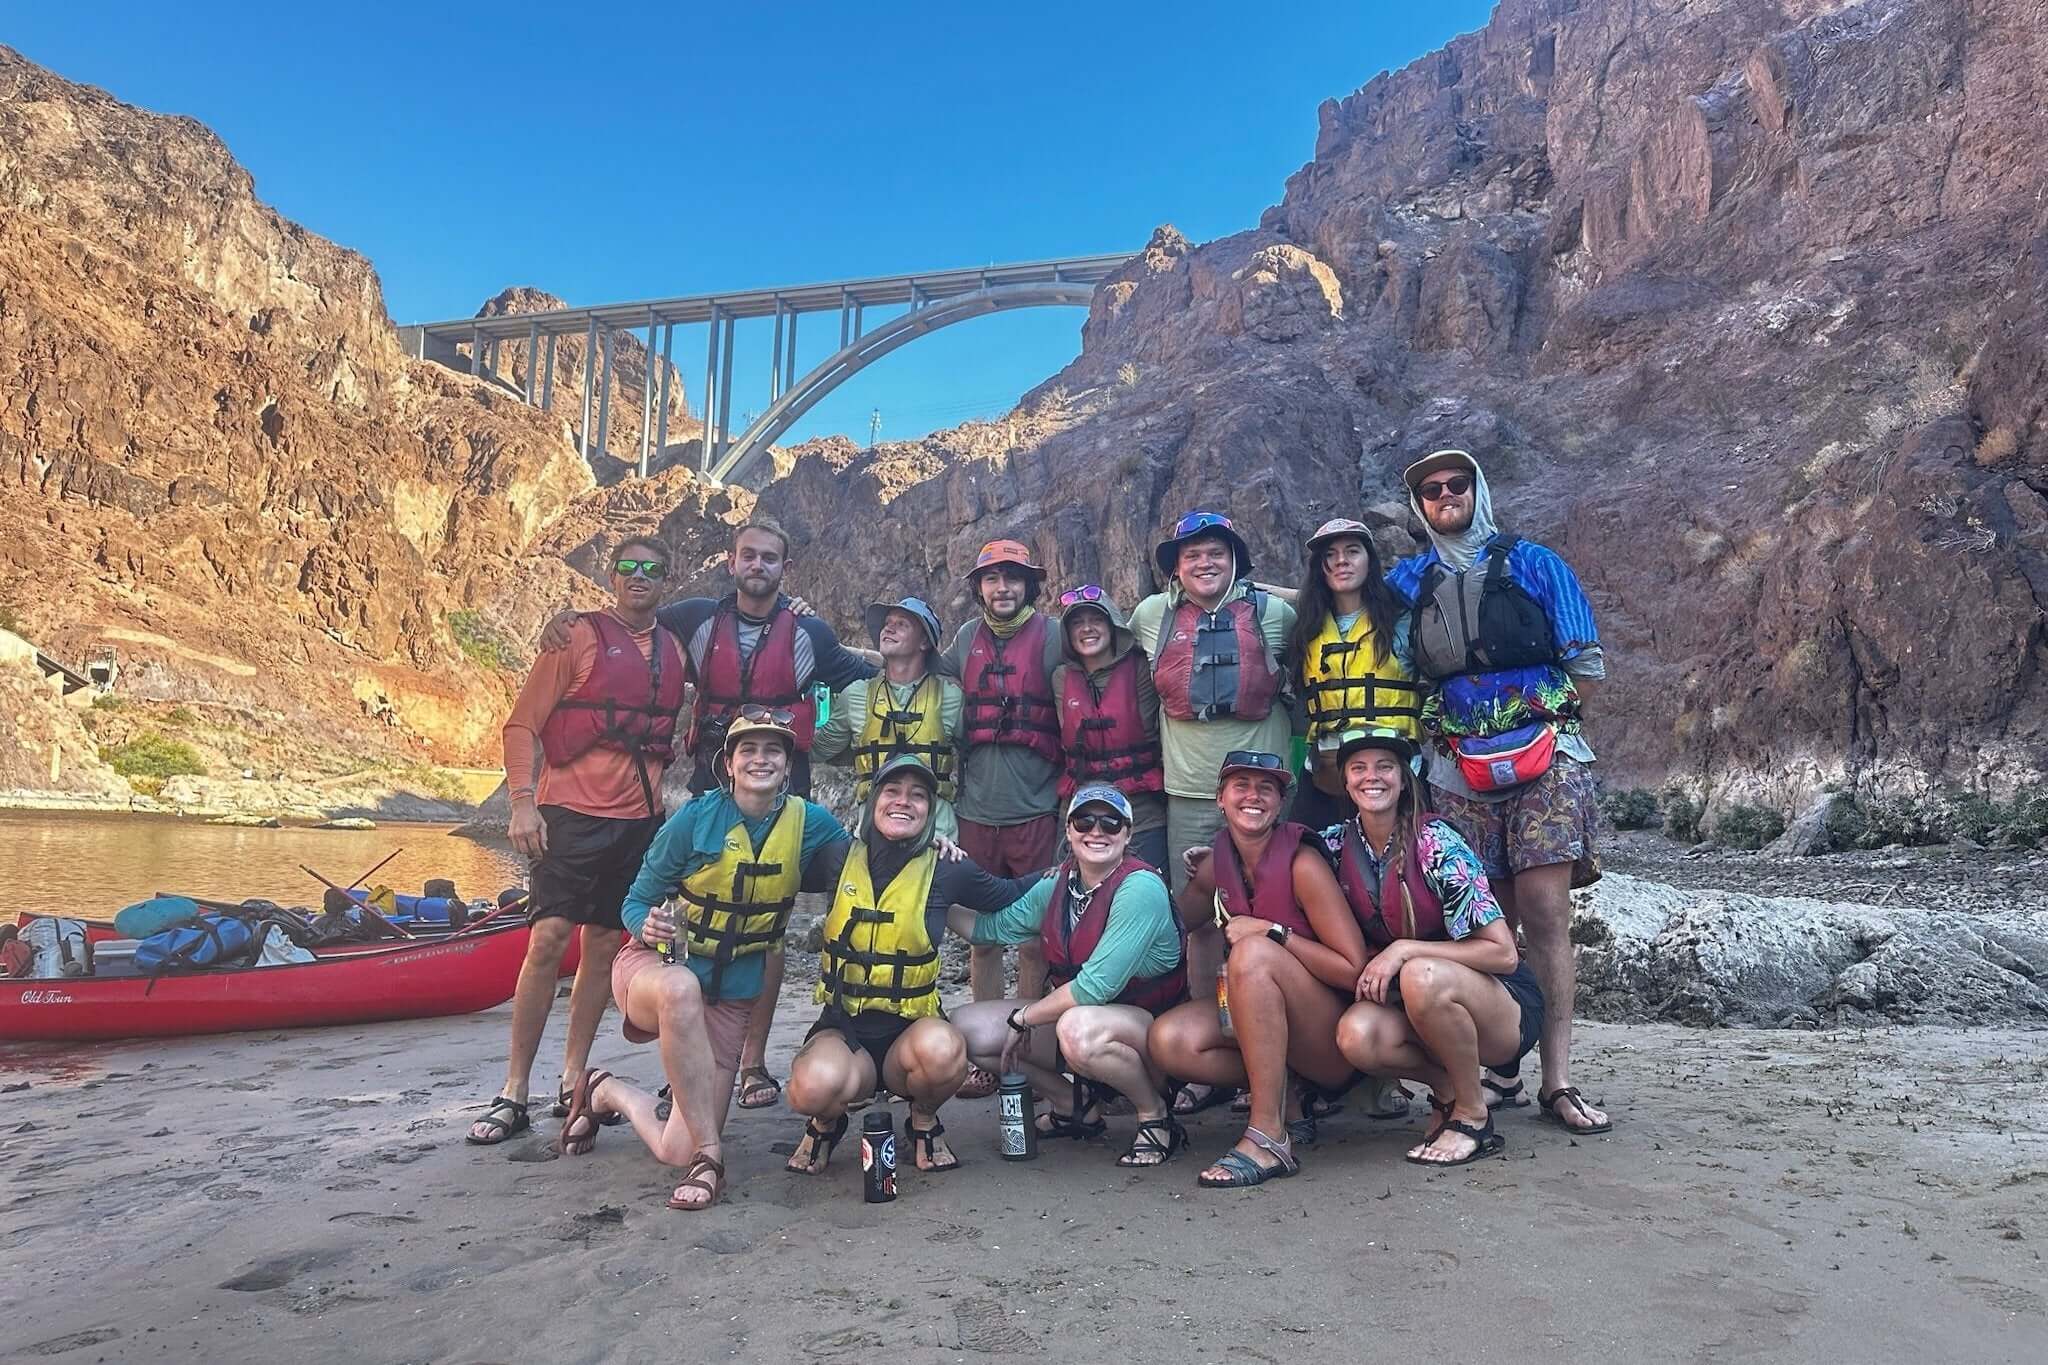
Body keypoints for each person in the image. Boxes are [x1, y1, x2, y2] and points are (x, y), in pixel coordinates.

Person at [544, 519, 875, 1111]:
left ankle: (751, 1064)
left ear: (785, 569)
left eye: (770, 558)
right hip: (713, 771)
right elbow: (632, 621)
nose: (758, 566)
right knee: (701, 906)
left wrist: (921, 649)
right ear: (732, 561)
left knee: (767, 918)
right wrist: (570, 621)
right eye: (749, 556)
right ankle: (689, 1058)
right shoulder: (694, 619)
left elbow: (870, 669)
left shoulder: (809, 632)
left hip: (782, 776)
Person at [1386, 448, 1612, 1135]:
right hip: (1455, 765)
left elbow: (1585, 664)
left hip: (1545, 759)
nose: (1445, 494)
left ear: (1476, 488)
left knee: (1543, 910)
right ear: (1419, 505)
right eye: (1431, 489)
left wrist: (1535, 730)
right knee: (1486, 916)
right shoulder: (1408, 581)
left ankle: (1559, 1079)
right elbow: (1382, 647)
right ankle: (1504, 1057)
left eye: (1457, 483)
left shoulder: (1537, 563)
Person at [556, 712, 851, 1210]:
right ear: (729, 764)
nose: (761, 759)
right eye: (749, 751)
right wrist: (644, 925)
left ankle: (606, 1090)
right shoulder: (694, 819)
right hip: (654, 973)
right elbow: (635, 901)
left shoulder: (811, 823)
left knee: (676, 1150)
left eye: (773, 751)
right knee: (680, 988)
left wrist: (932, 844)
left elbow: (868, 861)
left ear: (786, 765)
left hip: (731, 995)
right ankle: (712, 1156)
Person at [468, 536, 682, 1147]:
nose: (640, 578)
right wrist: (520, 803)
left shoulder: (675, 646)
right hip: (568, 817)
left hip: (638, 821)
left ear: (668, 580)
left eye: (653, 569)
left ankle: (573, 1077)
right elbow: (521, 724)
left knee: (606, 943)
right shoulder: (575, 637)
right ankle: (514, 1089)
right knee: (547, 941)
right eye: (628, 569)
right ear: (612, 577)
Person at [782, 755, 1039, 1179]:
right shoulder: (835, 857)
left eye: (918, 796)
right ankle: (825, 1124)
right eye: (893, 792)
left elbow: (1010, 894)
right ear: (873, 801)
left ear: (931, 811)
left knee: (944, 1052)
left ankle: (923, 1119)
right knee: (809, 1088)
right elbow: (775, 874)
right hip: (844, 1031)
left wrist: (1074, 867)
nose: (904, 802)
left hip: (913, 1032)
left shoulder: (948, 867)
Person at [1147, 752, 1369, 1187]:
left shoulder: (1302, 864)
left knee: (1251, 954)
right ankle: (1290, 1099)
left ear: (1280, 802)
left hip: (1330, 1039)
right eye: (1241, 786)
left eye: (1265, 788)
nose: (1253, 796)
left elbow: (1352, 970)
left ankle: (1269, 1138)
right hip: (1272, 1031)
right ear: (1220, 799)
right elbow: (1174, 923)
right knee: (1168, 1040)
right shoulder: (1217, 861)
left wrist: (1274, 932)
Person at [1326, 729, 1545, 1167]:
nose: (1373, 777)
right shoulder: (1334, 845)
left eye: (1385, 766)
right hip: (1414, 1007)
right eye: (1359, 768)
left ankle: (1474, 1116)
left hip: (1499, 1007)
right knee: (1356, 1035)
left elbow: (1502, 953)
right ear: (1345, 782)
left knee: (1419, 974)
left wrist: (1406, 949)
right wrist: (1212, 865)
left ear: (1404, 779)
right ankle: (1447, 1089)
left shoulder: (1438, 843)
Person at [951, 785, 1189, 1168]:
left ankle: (1154, 1113)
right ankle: (1073, 1107)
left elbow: (1096, 987)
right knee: (968, 1029)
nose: (1097, 831)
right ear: (1069, 830)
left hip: (1152, 1032)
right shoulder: (1058, 884)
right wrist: (929, 888)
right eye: (1084, 820)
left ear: (1128, 834)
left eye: (1111, 823)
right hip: (1086, 1020)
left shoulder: (1140, 887)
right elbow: (989, 930)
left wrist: (1023, 1017)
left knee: (1077, 1028)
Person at [943, 539, 1066, 1097]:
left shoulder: (1055, 635)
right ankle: (984, 1054)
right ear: (979, 588)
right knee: (983, 940)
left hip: (1036, 809)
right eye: (992, 579)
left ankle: (1033, 1047)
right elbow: (910, 667)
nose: (1002, 588)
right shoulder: (966, 640)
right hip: (975, 812)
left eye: (1013, 578)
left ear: (1028, 586)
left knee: (1035, 938)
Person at [1286, 518, 1422, 831]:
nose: (1341, 561)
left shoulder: (1402, 622)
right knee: (1304, 853)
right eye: (1329, 555)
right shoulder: (1306, 629)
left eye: (1352, 551)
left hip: (1392, 770)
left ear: (1369, 561)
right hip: (1325, 770)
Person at [812, 597, 963, 839]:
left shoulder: (951, 698)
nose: (888, 628)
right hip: (874, 834)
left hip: (938, 834)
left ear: (924, 641)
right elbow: (817, 750)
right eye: (887, 623)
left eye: (902, 624)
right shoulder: (856, 695)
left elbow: (978, 758)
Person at [1050, 585, 1168, 871]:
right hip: (1080, 807)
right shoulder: (1060, 678)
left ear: (1113, 625)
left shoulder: (1143, 669)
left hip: (1140, 807)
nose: (1087, 629)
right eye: (1077, 622)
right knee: (1068, 890)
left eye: (1096, 620)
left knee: (1145, 885)